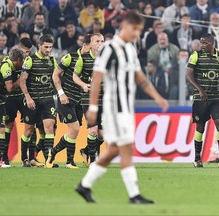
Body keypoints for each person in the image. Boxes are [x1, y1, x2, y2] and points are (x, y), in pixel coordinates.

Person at [75, 11, 168, 204]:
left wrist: (157, 97)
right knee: (125, 148)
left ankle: (84, 185)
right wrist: (92, 107)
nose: (137, 34)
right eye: (135, 29)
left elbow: (139, 77)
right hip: (113, 108)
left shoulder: (130, 49)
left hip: (126, 108)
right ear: (125, 26)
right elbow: (97, 78)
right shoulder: (109, 48)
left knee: (115, 149)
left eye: (140, 30)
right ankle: (134, 194)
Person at [45, 35, 92, 169]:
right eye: (92, 46)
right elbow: (55, 75)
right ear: (85, 45)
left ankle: (60, 158)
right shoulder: (69, 58)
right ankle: (65, 159)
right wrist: (61, 93)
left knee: (74, 131)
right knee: (74, 128)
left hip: (79, 100)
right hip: (65, 99)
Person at [185, 33, 219, 168]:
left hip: (216, 97)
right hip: (200, 98)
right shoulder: (196, 55)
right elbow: (188, 74)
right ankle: (197, 158)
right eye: (201, 43)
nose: (202, 45)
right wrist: (200, 89)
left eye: (204, 43)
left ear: (211, 43)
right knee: (200, 127)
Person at [19, 34, 58, 166]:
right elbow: (22, 81)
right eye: (46, 47)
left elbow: (56, 78)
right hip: (33, 101)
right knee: (29, 131)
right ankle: (24, 158)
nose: (48, 50)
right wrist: (28, 98)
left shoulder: (52, 61)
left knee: (49, 128)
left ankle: (49, 160)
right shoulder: (30, 60)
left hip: (48, 100)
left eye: (50, 47)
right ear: (39, 46)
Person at [71, 33, 104, 166]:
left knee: (102, 135)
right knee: (93, 130)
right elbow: (75, 76)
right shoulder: (82, 59)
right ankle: (93, 160)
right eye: (97, 41)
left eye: (102, 41)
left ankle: (86, 150)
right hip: (88, 99)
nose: (100, 44)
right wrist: (83, 84)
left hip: (104, 100)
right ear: (90, 44)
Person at [0, 48, 24, 168]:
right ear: (18, 60)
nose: (23, 63)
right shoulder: (6, 67)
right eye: (22, 60)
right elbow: (9, 88)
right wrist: (20, 80)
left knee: (1, 130)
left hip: (0, 104)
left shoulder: (12, 67)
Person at [2, 38, 34, 167]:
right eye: (25, 52)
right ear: (18, 49)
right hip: (10, 98)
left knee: (30, 125)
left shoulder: (30, 61)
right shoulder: (7, 62)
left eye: (29, 52)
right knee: (8, 126)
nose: (26, 55)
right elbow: (8, 86)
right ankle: (4, 157)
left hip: (23, 97)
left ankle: (25, 158)